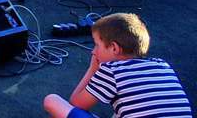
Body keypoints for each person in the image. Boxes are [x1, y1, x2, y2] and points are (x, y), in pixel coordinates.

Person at [42, 13, 191, 118]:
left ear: (114, 48)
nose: (94, 51)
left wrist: (93, 69)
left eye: (97, 45)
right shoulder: (163, 65)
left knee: (52, 100)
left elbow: (77, 103)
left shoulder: (112, 70)